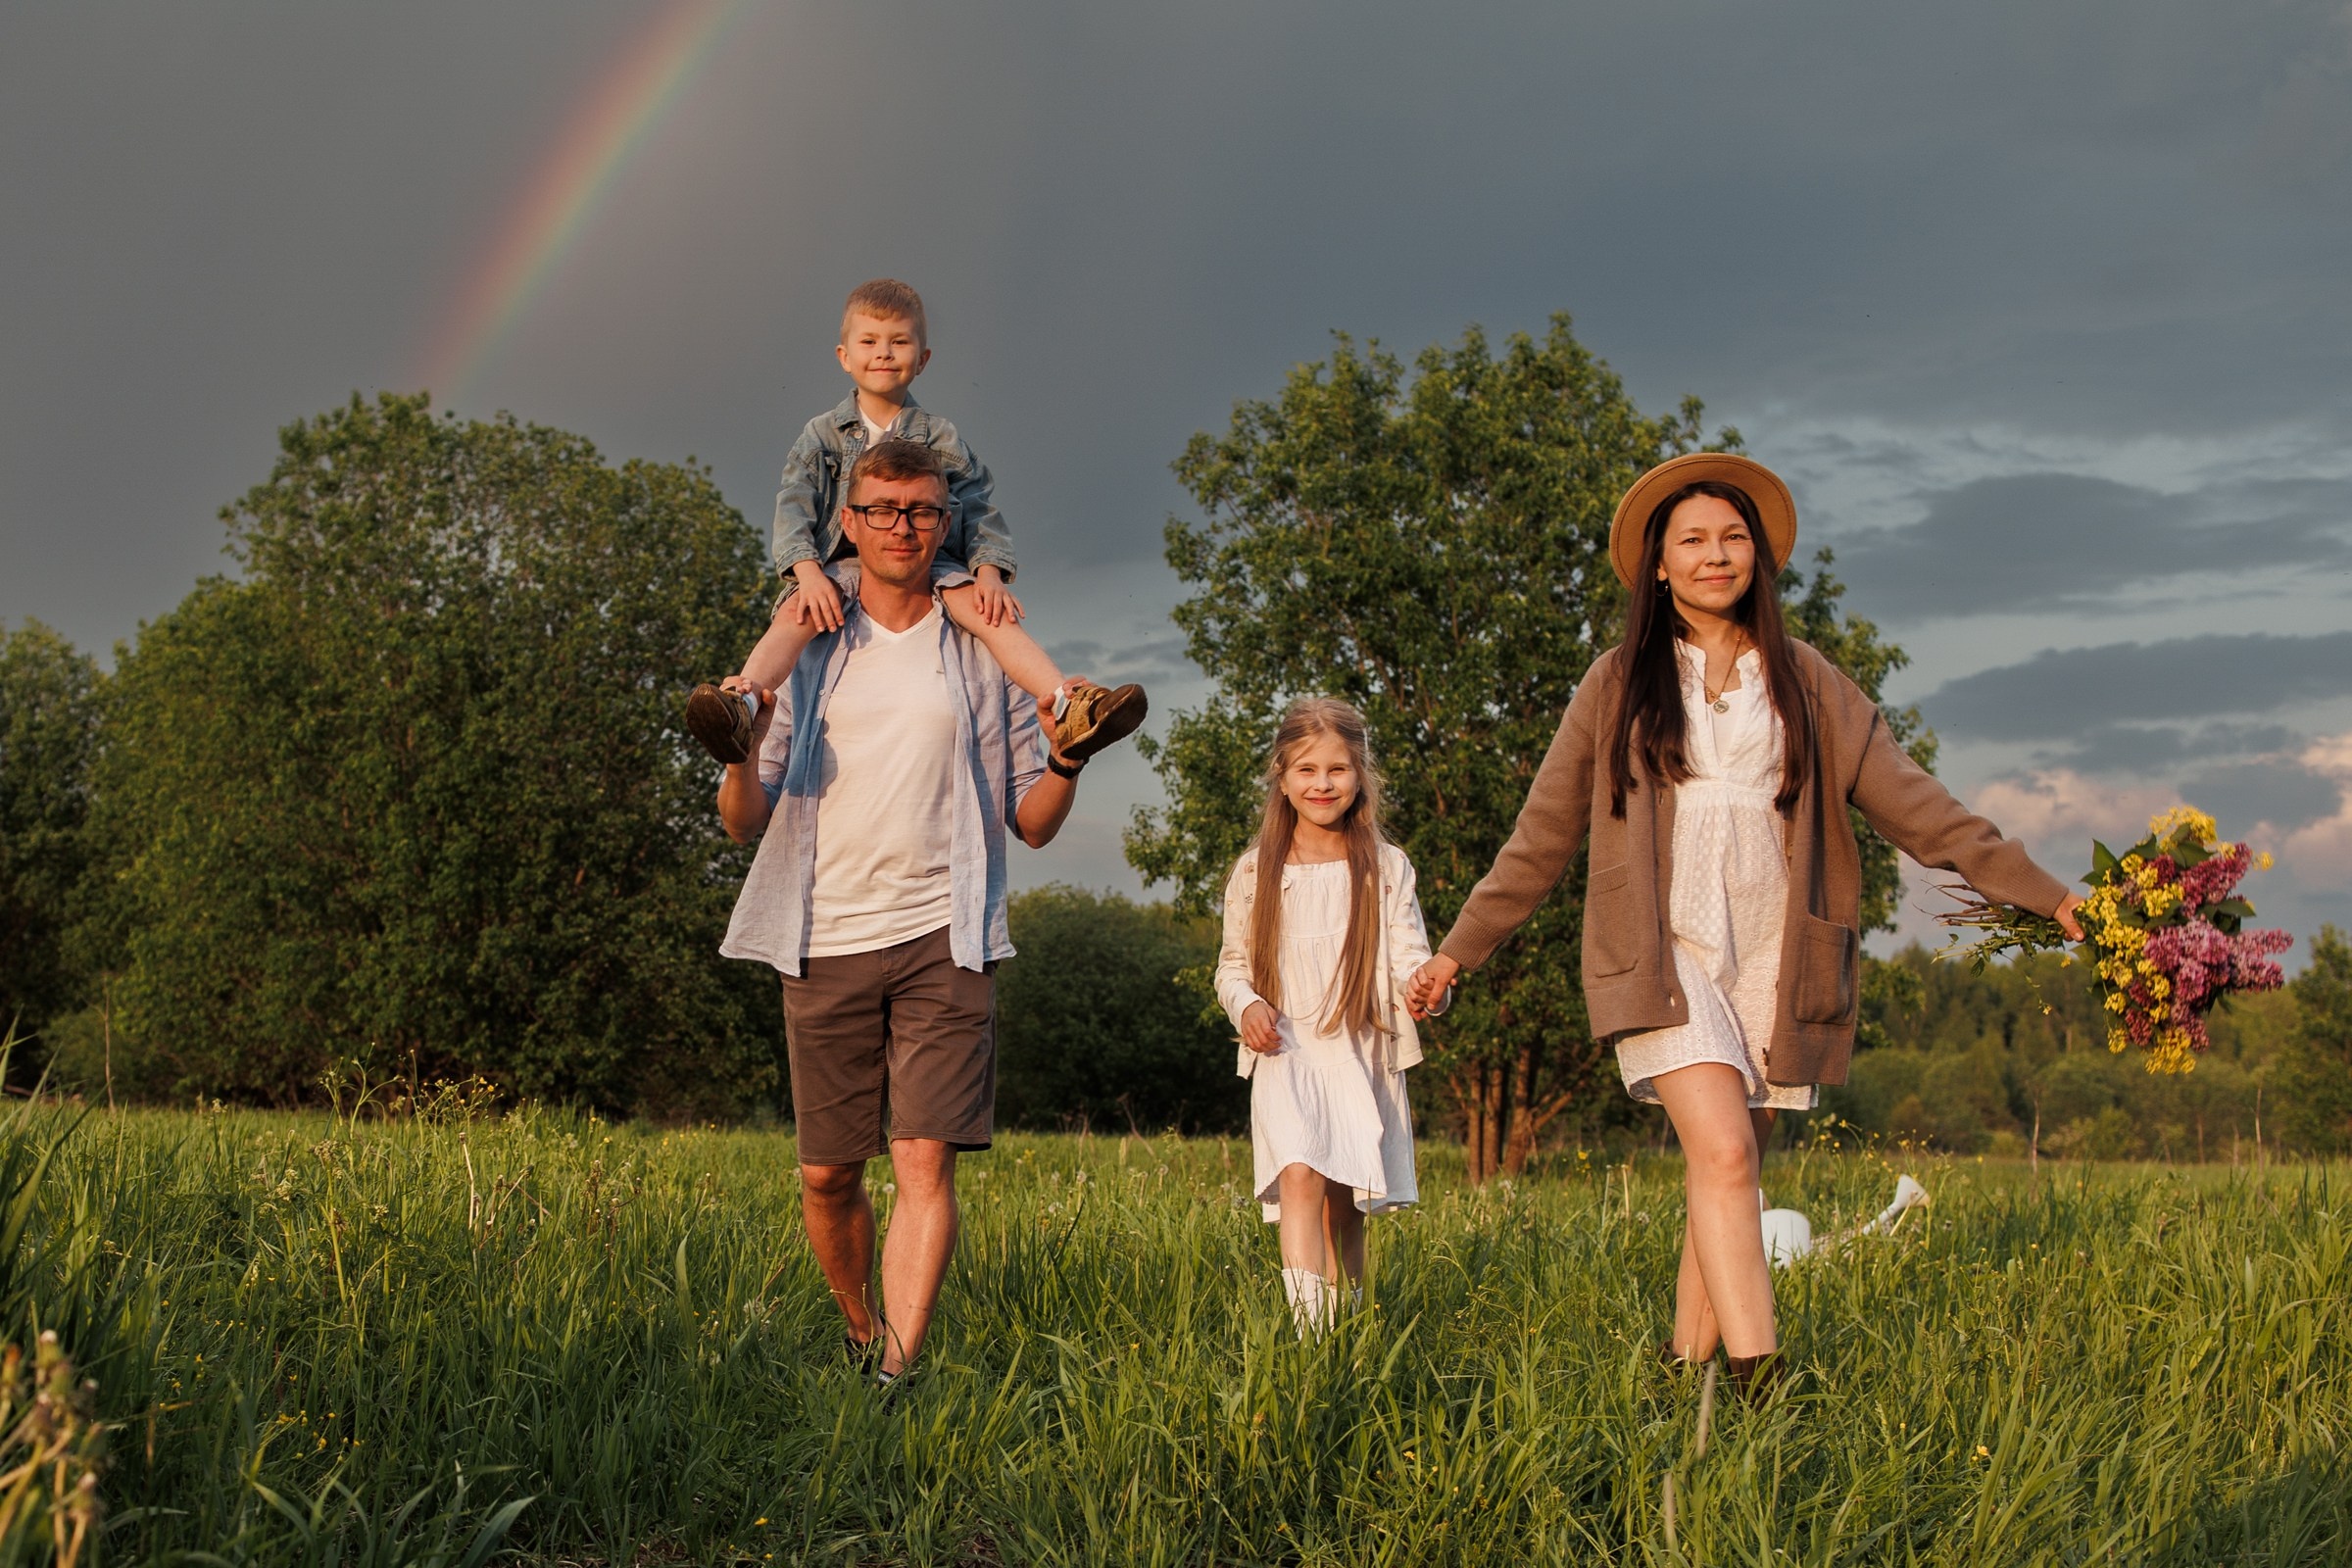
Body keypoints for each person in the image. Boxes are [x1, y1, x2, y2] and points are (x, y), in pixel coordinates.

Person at [1406, 453, 2084, 1398]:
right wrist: (1456, 952)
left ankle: (1680, 1383)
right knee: (1726, 1154)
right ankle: (1767, 1389)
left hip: (1775, 958)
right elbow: (1542, 836)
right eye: (1693, 540)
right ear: (1658, 566)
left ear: (1759, 558)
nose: (1715, 554)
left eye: (1733, 538)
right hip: (1662, 953)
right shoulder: (1616, 684)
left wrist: (2048, 895)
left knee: (1724, 1172)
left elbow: (1921, 808)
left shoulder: (1809, 682)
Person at [715, 437, 1087, 1389]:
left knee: (925, 1160)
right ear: (849, 521)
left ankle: (896, 1375)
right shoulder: (812, 644)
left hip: (944, 935)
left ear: (944, 521)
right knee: (828, 1176)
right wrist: (734, 751)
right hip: (825, 932)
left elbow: (1032, 824)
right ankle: (858, 1326)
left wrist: (1069, 760)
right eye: (882, 509)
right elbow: (741, 819)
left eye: (922, 510)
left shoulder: (977, 650)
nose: (903, 527)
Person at [686, 277, 1145, 768]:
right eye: (869, 342)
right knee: (795, 615)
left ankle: (1069, 705)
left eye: (899, 341)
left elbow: (977, 502)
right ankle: (744, 702)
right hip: (838, 563)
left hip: (931, 561)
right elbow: (795, 503)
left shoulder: (941, 436)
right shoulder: (821, 434)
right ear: (844, 356)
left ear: (923, 359)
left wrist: (988, 570)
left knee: (993, 615)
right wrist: (806, 571)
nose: (883, 353)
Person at [1214, 699, 1439, 1337]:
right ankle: (1312, 1340)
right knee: (1301, 1176)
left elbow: (1411, 960)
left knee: (1345, 1207)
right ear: (1281, 777)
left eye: (1337, 769)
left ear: (1360, 775)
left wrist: (1426, 991)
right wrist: (1248, 1003)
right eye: (1307, 769)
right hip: (1286, 1047)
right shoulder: (1257, 871)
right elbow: (1231, 965)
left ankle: (1348, 1333)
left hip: (1357, 1050)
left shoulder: (1386, 868)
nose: (1322, 784)